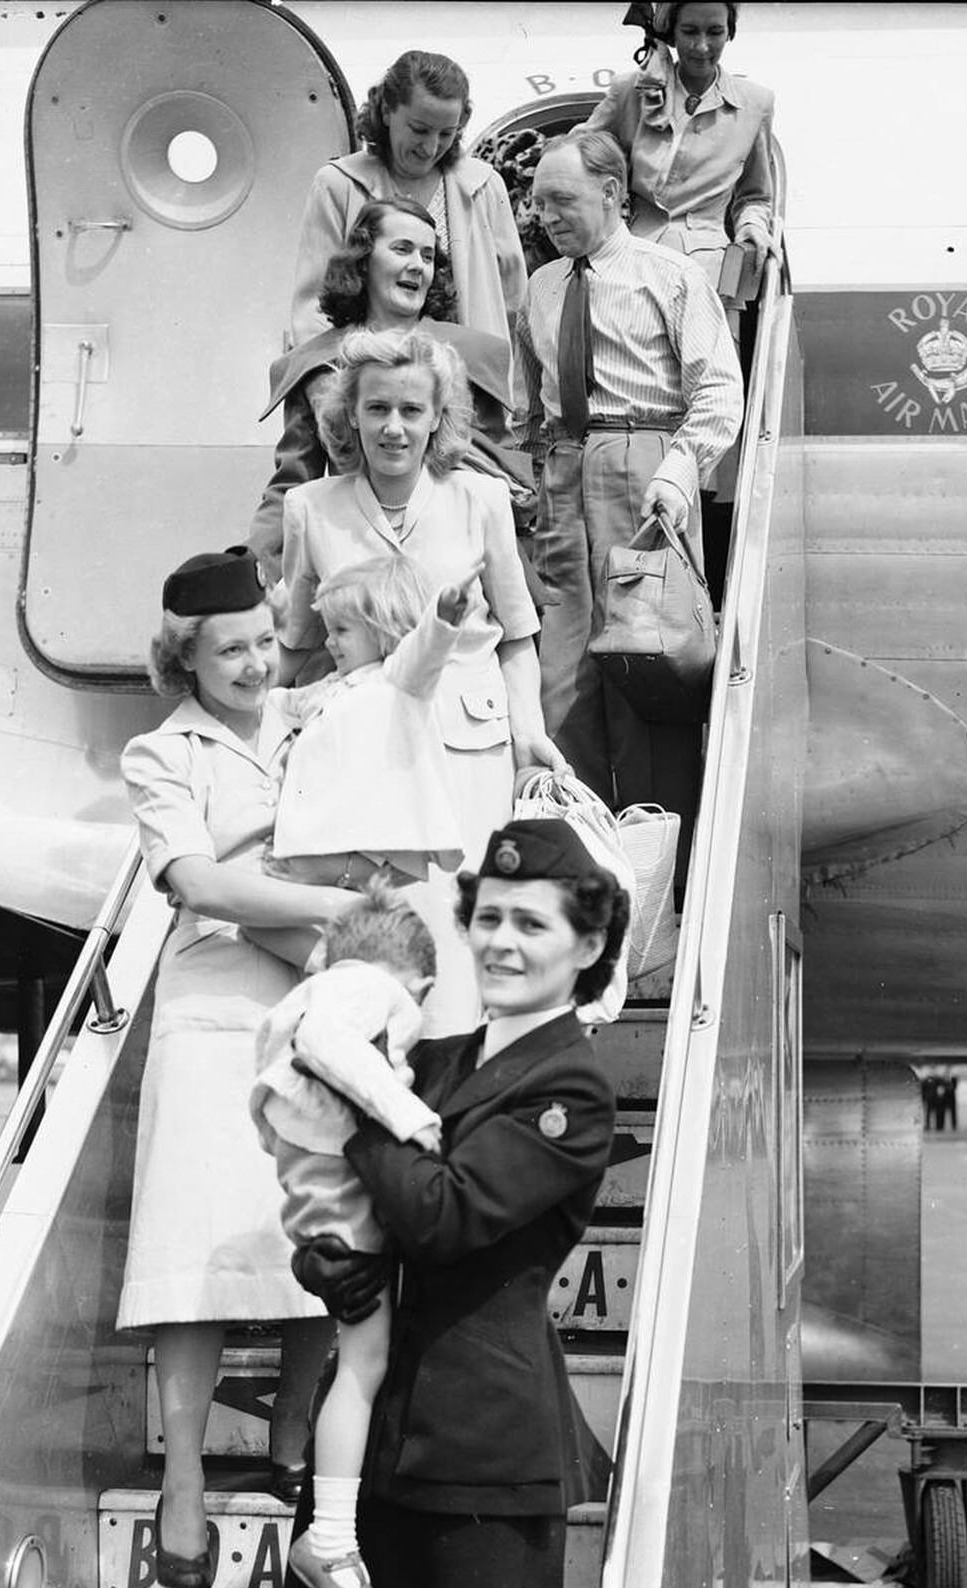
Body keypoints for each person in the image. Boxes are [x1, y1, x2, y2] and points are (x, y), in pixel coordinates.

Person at [265, 816, 629, 1588]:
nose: (503, 942)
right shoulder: (433, 1056)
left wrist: (356, 1105)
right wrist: (326, 1262)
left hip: (478, 1447)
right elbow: (345, 1205)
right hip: (376, 1447)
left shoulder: (570, 1089)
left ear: (587, 947)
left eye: (533, 925)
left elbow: (441, 1215)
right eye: (491, 919)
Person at [117, 545, 367, 1588]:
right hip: (213, 1010)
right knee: (193, 1268)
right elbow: (194, 881)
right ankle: (182, 1485)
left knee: (322, 1235)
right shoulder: (157, 756)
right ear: (186, 659)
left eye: (266, 641)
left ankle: (293, 1447)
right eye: (233, 652)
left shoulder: (315, 717)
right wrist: (318, 903)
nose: (259, 664)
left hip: (315, 1001)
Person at [278, 327, 567, 1029]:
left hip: (467, 748)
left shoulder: (480, 499)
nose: (394, 427)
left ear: (439, 416)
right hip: (372, 758)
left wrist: (528, 732)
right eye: (377, 409)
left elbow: (520, 635)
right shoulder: (311, 509)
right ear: (350, 415)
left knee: (467, 926)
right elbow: (296, 648)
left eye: (412, 410)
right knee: (391, 934)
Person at [516, 126, 742, 871]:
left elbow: (717, 390)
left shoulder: (668, 275)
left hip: (643, 468)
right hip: (563, 472)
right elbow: (530, 402)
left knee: (646, 671)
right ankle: (574, 873)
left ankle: (660, 887)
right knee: (565, 683)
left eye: (564, 200)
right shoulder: (542, 288)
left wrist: (679, 471)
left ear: (613, 194)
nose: (547, 216)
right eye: (539, 202)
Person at [250, 886, 440, 1588]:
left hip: (315, 1205)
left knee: (362, 1359)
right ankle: (330, 1538)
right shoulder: (367, 989)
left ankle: (332, 1534)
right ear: (414, 978)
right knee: (364, 1364)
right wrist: (409, 1113)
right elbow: (328, 1043)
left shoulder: (308, 990)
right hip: (341, 1213)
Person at [248, 197, 521, 583]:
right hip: (355, 560)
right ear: (364, 260)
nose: (418, 266)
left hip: (455, 564)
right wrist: (256, 556)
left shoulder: (473, 357)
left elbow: (499, 478)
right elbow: (294, 481)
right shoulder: (314, 364)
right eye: (402, 249)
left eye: (428, 256)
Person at [263, 555, 478, 903]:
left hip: (375, 844)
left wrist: (442, 618)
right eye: (329, 631)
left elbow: (424, 651)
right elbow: (277, 703)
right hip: (331, 839)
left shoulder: (399, 680)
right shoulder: (331, 686)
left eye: (341, 631)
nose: (330, 642)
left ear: (383, 626)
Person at [289, 49, 526, 353]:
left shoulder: (485, 186)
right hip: (367, 383)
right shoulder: (337, 184)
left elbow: (514, 302)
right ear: (386, 111)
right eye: (419, 130)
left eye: (446, 134)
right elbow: (312, 310)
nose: (430, 148)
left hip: (468, 383)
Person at [588, 2, 775, 290]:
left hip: (706, 276)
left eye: (715, 32)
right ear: (672, 33)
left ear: (730, 33)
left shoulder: (756, 104)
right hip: (624, 265)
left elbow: (755, 197)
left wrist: (753, 226)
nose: (702, 47)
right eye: (690, 32)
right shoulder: (630, 91)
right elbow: (578, 157)